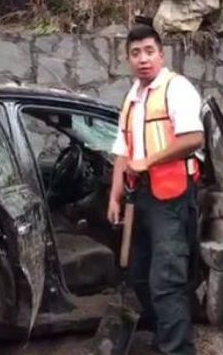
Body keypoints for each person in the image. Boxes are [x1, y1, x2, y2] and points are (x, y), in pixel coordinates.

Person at [107, 25, 204, 355]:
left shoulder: (177, 89)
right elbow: (122, 149)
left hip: (172, 197)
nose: (143, 59)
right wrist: (114, 195)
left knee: (167, 279)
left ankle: (177, 349)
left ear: (161, 55)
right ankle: (164, 332)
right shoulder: (132, 97)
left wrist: (149, 160)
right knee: (138, 274)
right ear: (128, 60)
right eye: (135, 53)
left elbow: (194, 138)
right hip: (140, 198)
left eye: (149, 51)